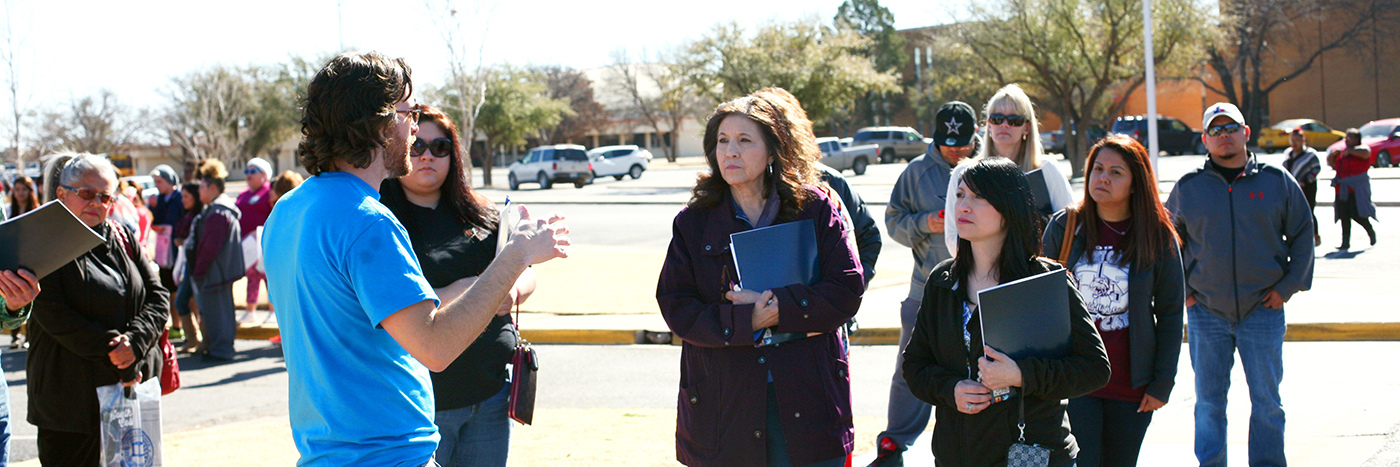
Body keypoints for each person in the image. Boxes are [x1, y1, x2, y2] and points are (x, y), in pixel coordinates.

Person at [261, 51, 568, 466]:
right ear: (380, 124)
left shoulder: (288, 209)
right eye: (410, 112)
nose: (413, 126)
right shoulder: (367, 222)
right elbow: (435, 346)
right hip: (387, 455)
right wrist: (516, 255)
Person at [656, 90, 865, 467]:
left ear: (773, 151)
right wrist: (745, 322)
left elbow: (846, 289)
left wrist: (779, 310)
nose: (730, 151)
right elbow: (677, 306)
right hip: (725, 407)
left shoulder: (814, 208)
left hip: (807, 399)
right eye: (722, 141)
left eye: (744, 140)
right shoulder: (694, 221)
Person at [902, 157, 1109, 466]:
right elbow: (915, 367)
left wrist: (1022, 375)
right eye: (960, 195)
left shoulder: (1044, 281)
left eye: (979, 196)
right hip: (956, 455)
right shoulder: (942, 282)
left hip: (1031, 454)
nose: (964, 206)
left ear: (1009, 208)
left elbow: (1094, 368)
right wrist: (951, 390)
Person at [379, 105, 534, 467]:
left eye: (440, 147)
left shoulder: (482, 212)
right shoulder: (381, 219)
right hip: (424, 404)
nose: (428, 156)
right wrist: (474, 287)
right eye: (417, 146)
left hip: (491, 391)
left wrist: (512, 289)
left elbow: (525, 270)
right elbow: (392, 306)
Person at [1165, 102, 1314, 467]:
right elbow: (1166, 243)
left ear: (1245, 133)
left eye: (1230, 127)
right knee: (1209, 404)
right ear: (1205, 140)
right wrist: (1184, 293)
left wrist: (1288, 287)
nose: (1224, 135)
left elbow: (1303, 235)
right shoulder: (1188, 188)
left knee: (1267, 403)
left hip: (1262, 311)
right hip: (1207, 314)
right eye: (1215, 130)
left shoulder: (1276, 181)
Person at [1040, 135, 1185, 467]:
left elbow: (1170, 313)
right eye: (1098, 169)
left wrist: (1162, 382)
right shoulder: (1066, 226)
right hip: (1076, 380)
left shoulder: (1157, 237)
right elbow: (1040, 303)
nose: (1102, 178)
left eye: (1116, 172)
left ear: (1136, 183)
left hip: (1131, 385)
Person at [30, 152, 168, 465]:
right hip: (69, 408)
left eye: (105, 196)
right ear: (62, 194)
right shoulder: (41, 244)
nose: (97, 203)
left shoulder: (123, 236)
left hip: (128, 396)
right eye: (87, 194)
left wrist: (133, 343)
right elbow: (52, 314)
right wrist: (114, 349)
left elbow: (158, 296)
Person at [869, 101, 978, 466]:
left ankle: (974, 442)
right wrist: (924, 222)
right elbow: (892, 221)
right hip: (925, 291)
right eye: (948, 143)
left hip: (980, 293)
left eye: (962, 143)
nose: (955, 150)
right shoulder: (915, 172)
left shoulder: (986, 169)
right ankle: (896, 440)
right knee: (908, 371)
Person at [943, 84, 1073, 254]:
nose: (1004, 125)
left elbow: (1070, 225)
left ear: (1027, 127)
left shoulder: (1047, 169)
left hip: (1039, 273)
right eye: (997, 119)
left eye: (1014, 121)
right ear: (988, 124)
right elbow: (953, 238)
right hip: (985, 276)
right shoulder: (965, 173)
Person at [191, 159, 244, 362]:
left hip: (216, 272)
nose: (199, 192)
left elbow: (210, 247)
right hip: (221, 271)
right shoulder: (220, 209)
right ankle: (221, 347)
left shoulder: (218, 212)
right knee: (222, 310)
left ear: (212, 187)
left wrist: (199, 270)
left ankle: (221, 349)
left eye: (202, 187)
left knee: (218, 312)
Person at [149, 165, 187, 340]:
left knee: (181, 291)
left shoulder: (179, 198)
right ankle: (176, 325)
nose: (157, 185)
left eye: (160, 181)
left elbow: (183, 220)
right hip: (163, 252)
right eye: (155, 182)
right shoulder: (160, 200)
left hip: (177, 251)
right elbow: (155, 221)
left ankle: (188, 327)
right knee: (168, 289)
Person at [236, 157, 274, 321]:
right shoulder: (243, 194)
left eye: (253, 171)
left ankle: (273, 311)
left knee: (268, 277)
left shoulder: (269, 192)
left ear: (264, 174)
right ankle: (250, 311)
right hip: (247, 244)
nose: (248, 175)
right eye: (246, 171)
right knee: (251, 276)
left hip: (265, 243)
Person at [1327, 128, 1377, 250]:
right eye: (1347, 136)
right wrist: (1333, 155)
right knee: (1343, 216)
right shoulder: (1342, 153)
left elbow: (1366, 153)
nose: (1348, 139)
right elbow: (1331, 163)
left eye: (1351, 137)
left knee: (1357, 214)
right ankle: (1345, 242)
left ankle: (1370, 230)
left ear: (1357, 139)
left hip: (1356, 188)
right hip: (1342, 188)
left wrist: (1350, 151)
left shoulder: (1362, 149)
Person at [5, 176, 39, 349]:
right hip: (13, 262)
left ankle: (28, 336)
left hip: (33, 262)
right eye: (17, 189)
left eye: (23, 189)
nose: (20, 193)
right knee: (12, 296)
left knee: (28, 300)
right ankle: (15, 336)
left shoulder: (38, 211)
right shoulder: (8, 211)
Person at [174, 181, 206, 353]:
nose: (183, 200)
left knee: (195, 303)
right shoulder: (186, 215)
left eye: (187, 196)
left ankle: (202, 341)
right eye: (182, 196)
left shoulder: (200, 217)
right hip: (187, 265)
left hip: (196, 266)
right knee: (183, 301)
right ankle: (193, 339)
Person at [1281, 128, 1322, 247]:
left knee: (1308, 210)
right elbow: (1285, 169)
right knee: (1292, 212)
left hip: (1307, 187)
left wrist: (1307, 180)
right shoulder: (1288, 153)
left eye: (1297, 140)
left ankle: (1315, 235)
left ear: (1303, 140)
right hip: (1292, 187)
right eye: (1292, 140)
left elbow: (1316, 169)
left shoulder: (1310, 154)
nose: (1294, 143)